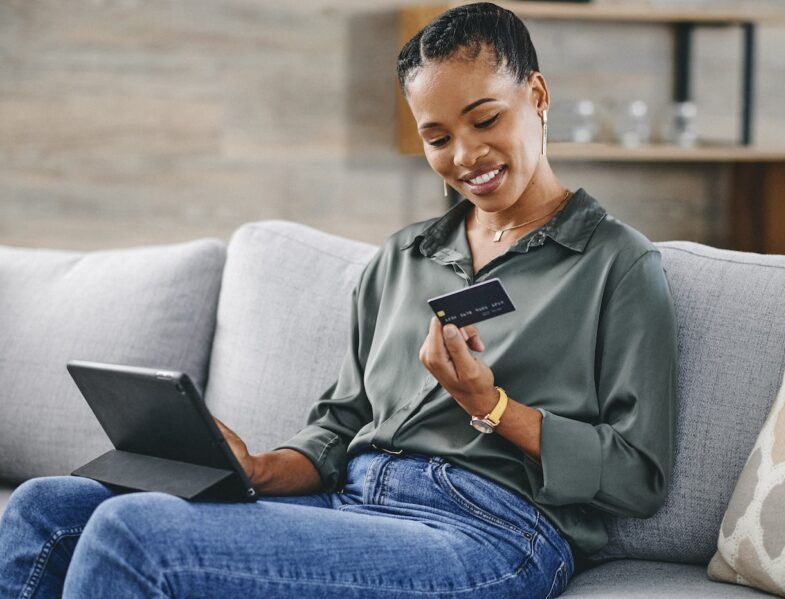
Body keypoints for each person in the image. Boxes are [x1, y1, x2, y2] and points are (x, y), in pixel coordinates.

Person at [0, 3, 678, 597]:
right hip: (354, 500)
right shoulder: (401, 260)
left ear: (536, 94)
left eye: (484, 119)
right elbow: (341, 423)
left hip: (491, 531)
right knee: (44, 506)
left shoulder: (614, 262)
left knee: (134, 533)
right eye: (438, 138)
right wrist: (259, 468)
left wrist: (490, 406)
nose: (465, 154)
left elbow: (638, 474)